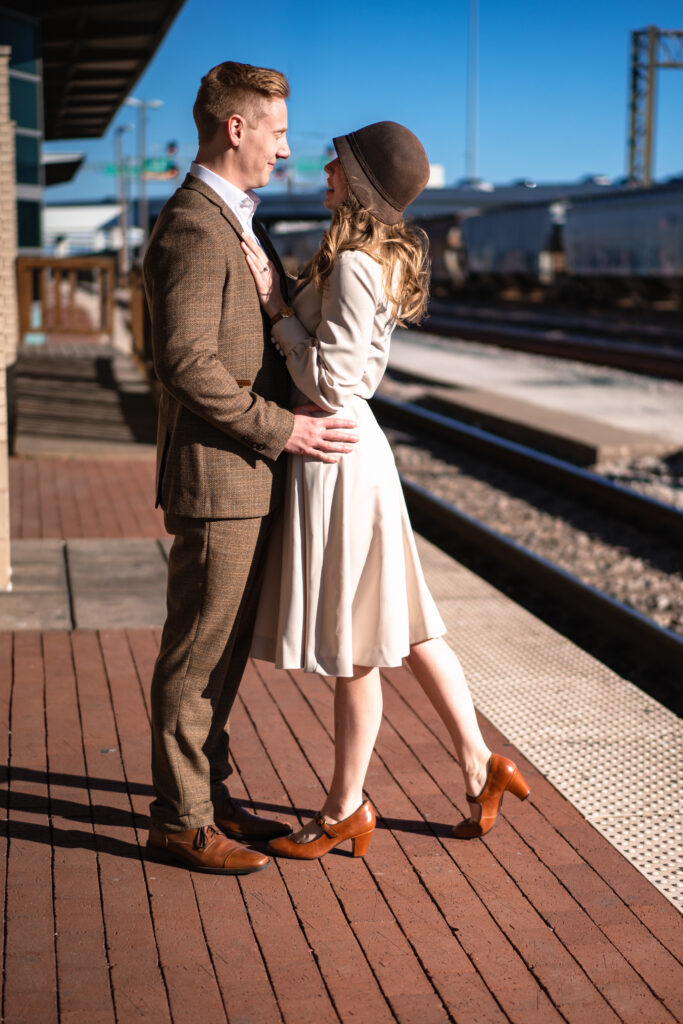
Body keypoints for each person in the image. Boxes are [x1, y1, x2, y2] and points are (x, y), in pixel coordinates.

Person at [242, 121, 530, 859]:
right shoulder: (360, 253)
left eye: (338, 162)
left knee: (357, 644)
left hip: (338, 452)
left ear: (361, 180)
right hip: (353, 454)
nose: (325, 167)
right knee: (408, 625)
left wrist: (277, 310)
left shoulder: (360, 263)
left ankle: (344, 809)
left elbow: (335, 382)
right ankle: (478, 763)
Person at [142, 61, 359, 875]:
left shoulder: (233, 217)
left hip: (244, 475)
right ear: (235, 129)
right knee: (197, 654)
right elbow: (187, 363)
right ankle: (180, 820)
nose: (283, 147)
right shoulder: (196, 226)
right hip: (220, 477)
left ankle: (208, 797)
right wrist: (286, 431)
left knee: (222, 653)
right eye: (274, 131)